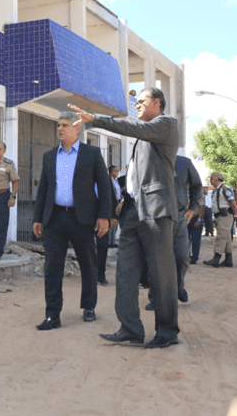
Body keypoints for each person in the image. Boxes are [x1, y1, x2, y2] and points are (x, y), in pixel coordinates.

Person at [70, 87, 180, 349]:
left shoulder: (165, 124)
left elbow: (132, 127)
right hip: (132, 211)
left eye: (141, 101)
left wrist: (95, 119)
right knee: (125, 272)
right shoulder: (145, 134)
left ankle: (167, 332)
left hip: (155, 211)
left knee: (160, 274)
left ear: (156, 103)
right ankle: (130, 328)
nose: (137, 105)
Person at [32, 111, 111, 330]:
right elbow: (43, 189)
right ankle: (52, 314)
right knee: (52, 267)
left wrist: (104, 216)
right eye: (58, 125)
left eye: (65, 125)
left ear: (77, 129)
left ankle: (89, 306)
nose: (60, 128)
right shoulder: (49, 156)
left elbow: (104, 187)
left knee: (88, 264)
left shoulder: (91, 154)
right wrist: (38, 218)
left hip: (82, 218)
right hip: (55, 218)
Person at [145, 155, 202, 309]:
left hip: (179, 216)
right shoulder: (151, 160)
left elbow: (197, 186)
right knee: (158, 259)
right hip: (157, 217)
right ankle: (155, 298)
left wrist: (193, 208)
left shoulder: (184, 162)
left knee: (182, 256)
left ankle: (178, 287)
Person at [203, 172, 237, 267]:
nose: (210, 181)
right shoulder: (217, 189)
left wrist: (236, 214)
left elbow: (233, 202)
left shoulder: (224, 188)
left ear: (216, 179)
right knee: (226, 238)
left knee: (221, 237)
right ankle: (228, 260)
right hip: (220, 216)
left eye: (211, 179)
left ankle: (216, 259)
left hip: (225, 216)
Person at [98, 165, 122, 285]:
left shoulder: (107, 180)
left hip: (103, 216)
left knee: (102, 246)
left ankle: (100, 274)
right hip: (86, 216)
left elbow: (111, 198)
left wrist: (113, 216)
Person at [187, 194, 205, 264]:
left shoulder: (199, 194)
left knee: (196, 240)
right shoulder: (184, 192)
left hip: (196, 218)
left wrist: (199, 219)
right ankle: (186, 257)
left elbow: (202, 207)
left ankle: (194, 258)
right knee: (186, 239)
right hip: (186, 218)